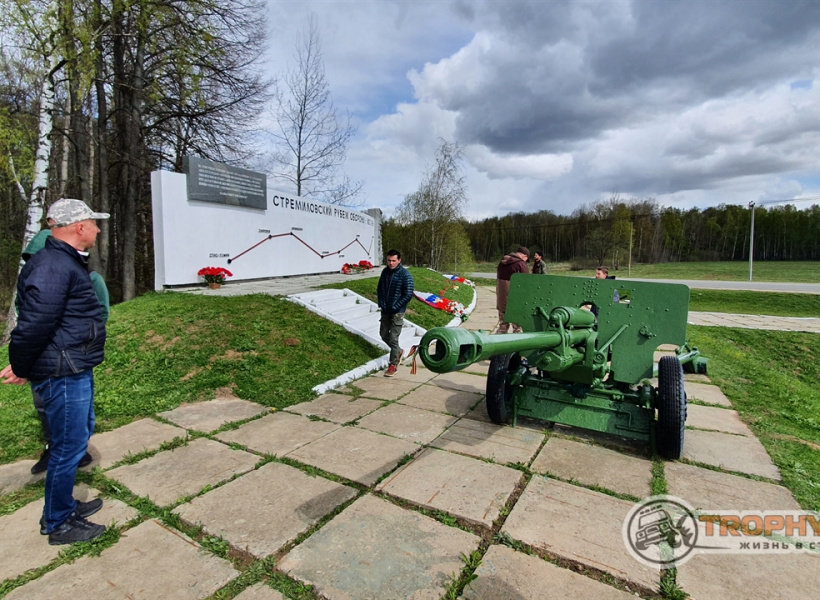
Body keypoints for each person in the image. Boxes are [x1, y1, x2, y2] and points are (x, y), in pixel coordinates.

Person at [1, 198, 110, 545]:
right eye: (93, 223)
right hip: (62, 372)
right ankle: (58, 522)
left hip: (72, 367)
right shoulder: (52, 266)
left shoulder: (62, 262)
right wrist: (21, 365)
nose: (96, 228)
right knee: (67, 447)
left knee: (77, 436)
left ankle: (64, 506)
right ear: (79, 227)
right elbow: (33, 326)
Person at [22, 225, 110, 475]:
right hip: (41, 356)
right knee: (43, 405)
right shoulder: (34, 276)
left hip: (70, 357)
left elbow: (100, 313)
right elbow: (30, 319)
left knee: (77, 412)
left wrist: (80, 339)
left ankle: (72, 454)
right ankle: (54, 447)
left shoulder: (89, 278)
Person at [376, 249, 414, 377]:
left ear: (399, 260)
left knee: (393, 337)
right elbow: (380, 288)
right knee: (383, 334)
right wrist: (381, 302)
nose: (391, 263)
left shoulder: (405, 274)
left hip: (397, 312)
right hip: (385, 310)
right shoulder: (385, 272)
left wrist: (396, 306)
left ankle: (393, 365)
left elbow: (408, 294)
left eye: (393, 261)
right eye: (389, 260)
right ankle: (398, 351)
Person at [495, 246, 529, 334]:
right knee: (518, 328)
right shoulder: (520, 264)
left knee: (502, 326)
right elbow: (526, 282)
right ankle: (517, 345)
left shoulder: (502, 263)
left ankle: (497, 344)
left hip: (502, 298)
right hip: (515, 299)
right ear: (524, 256)